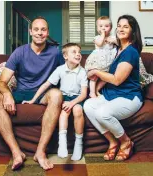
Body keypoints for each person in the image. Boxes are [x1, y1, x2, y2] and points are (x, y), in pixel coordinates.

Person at [0, 16, 65, 170]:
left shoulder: (55, 53)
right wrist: (8, 95)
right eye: (36, 29)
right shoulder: (19, 52)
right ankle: (17, 153)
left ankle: (40, 152)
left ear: (47, 32)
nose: (40, 33)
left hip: (44, 94)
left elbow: (66, 75)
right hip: (21, 92)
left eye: (43, 29)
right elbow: (1, 82)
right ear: (30, 32)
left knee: (56, 94)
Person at [84, 15, 143, 161]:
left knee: (102, 113)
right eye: (119, 25)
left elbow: (116, 80)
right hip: (113, 94)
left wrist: (96, 72)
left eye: (126, 26)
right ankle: (112, 141)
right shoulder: (117, 49)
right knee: (88, 105)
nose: (121, 29)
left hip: (129, 97)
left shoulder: (131, 52)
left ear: (132, 31)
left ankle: (126, 142)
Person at [22, 43, 88, 161]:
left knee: (78, 110)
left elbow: (83, 94)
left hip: (77, 98)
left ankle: (79, 144)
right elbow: (46, 84)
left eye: (79, 52)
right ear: (65, 56)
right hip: (64, 97)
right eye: (74, 52)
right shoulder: (60, 69)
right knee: (63, 113)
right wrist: (33, 100)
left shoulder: (82, 72)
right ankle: (62, 142)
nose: (78, 54)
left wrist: (72, 103)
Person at [85, 16, 117, 98]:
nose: (103, 28)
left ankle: (97, 89)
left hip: (108, 62)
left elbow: (119, 44)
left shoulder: (113, 37)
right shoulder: (97, 38)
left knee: (106, 78)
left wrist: (113, 40)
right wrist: (103, 35)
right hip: (98, 61)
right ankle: (92, 93)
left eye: (106, 26)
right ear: (97, 28)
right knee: (94, 77)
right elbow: (99, 44)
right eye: (101, 26)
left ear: (111, 28)